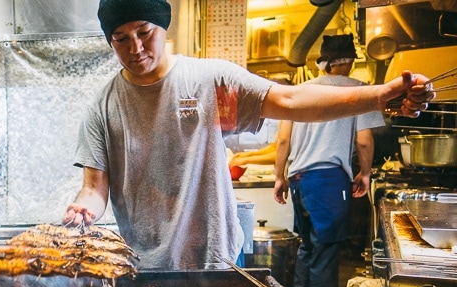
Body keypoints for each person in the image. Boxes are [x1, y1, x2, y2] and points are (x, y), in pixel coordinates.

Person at [61, 0, 433, 271]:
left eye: (144, 33)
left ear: (163, 27)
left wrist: (380, 94)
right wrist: (84, 208)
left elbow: (290, 99)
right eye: (121, 39)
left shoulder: (210, 79)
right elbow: (95, 187)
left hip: (217, 260)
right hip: (143, 266)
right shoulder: (103, 107)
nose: (136, 48)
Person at [273, 34, 385, 287]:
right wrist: (365, 173)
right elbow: (365, 141)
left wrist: (279, 177)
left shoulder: (302, 90)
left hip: (299, 179)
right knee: (326, 250)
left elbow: (283, 139)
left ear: (324, 62)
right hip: (329, 181)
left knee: (308, 247)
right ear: (350, 61)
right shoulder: (359, 91)